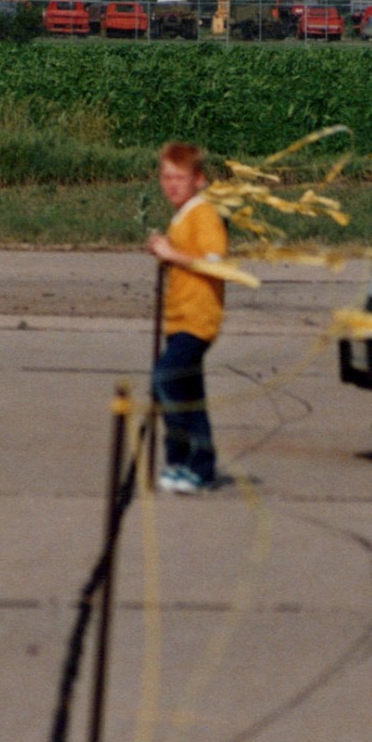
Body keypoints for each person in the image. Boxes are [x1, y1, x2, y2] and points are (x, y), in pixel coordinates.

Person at [146, 142, 228, 494]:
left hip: (197, 321)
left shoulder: (203, 214)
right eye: (166, 177)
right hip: (178, 320)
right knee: (188, 391)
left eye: (180, 177)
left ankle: (190, 461)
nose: (172, 184)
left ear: (199, 179)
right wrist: (166, 250)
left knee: (166, 380)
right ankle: (190, 465)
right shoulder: (182, 216)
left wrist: (171, 253)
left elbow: (215, 261)